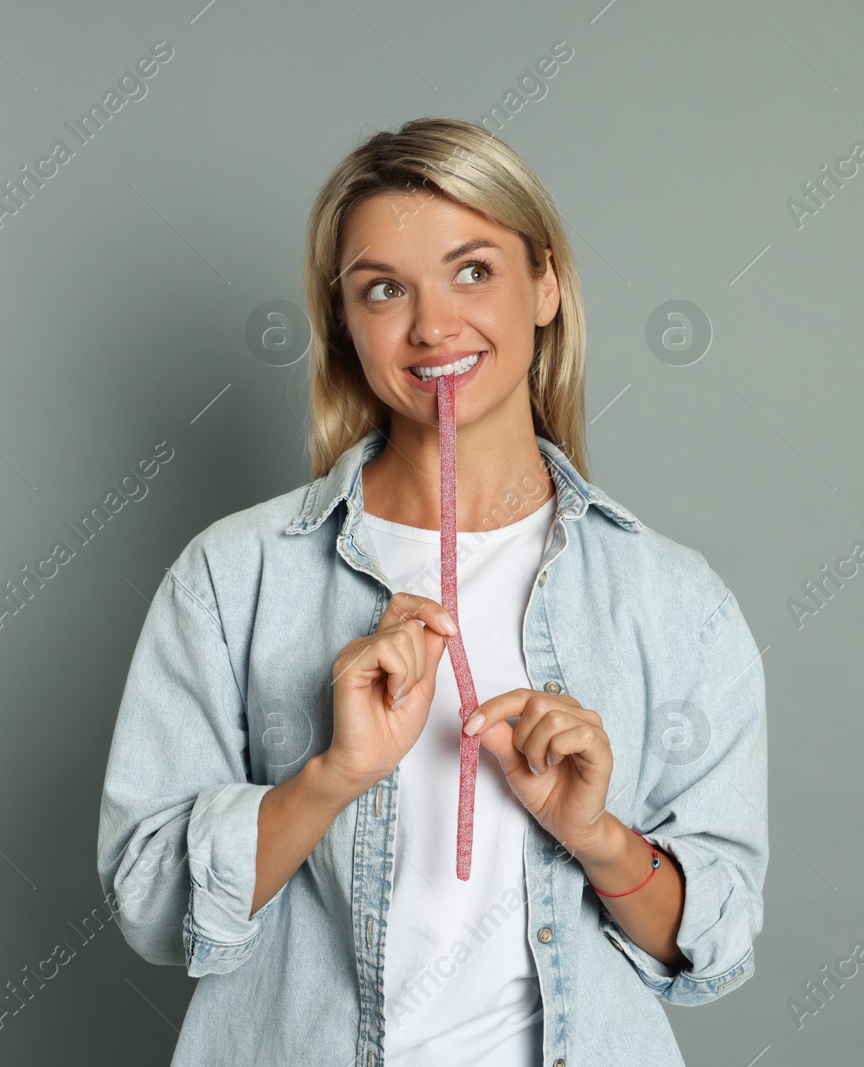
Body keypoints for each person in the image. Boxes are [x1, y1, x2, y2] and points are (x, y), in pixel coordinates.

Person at [97, 116, 768, 1067]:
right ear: (347, 323)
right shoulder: (230, 576)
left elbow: (715, 941)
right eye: (383, 290)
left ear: (546, 285)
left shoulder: (674, 600)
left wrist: (597, 836)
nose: (433, 326)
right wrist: (331, 777)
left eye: (474, 271)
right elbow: (154, 906)